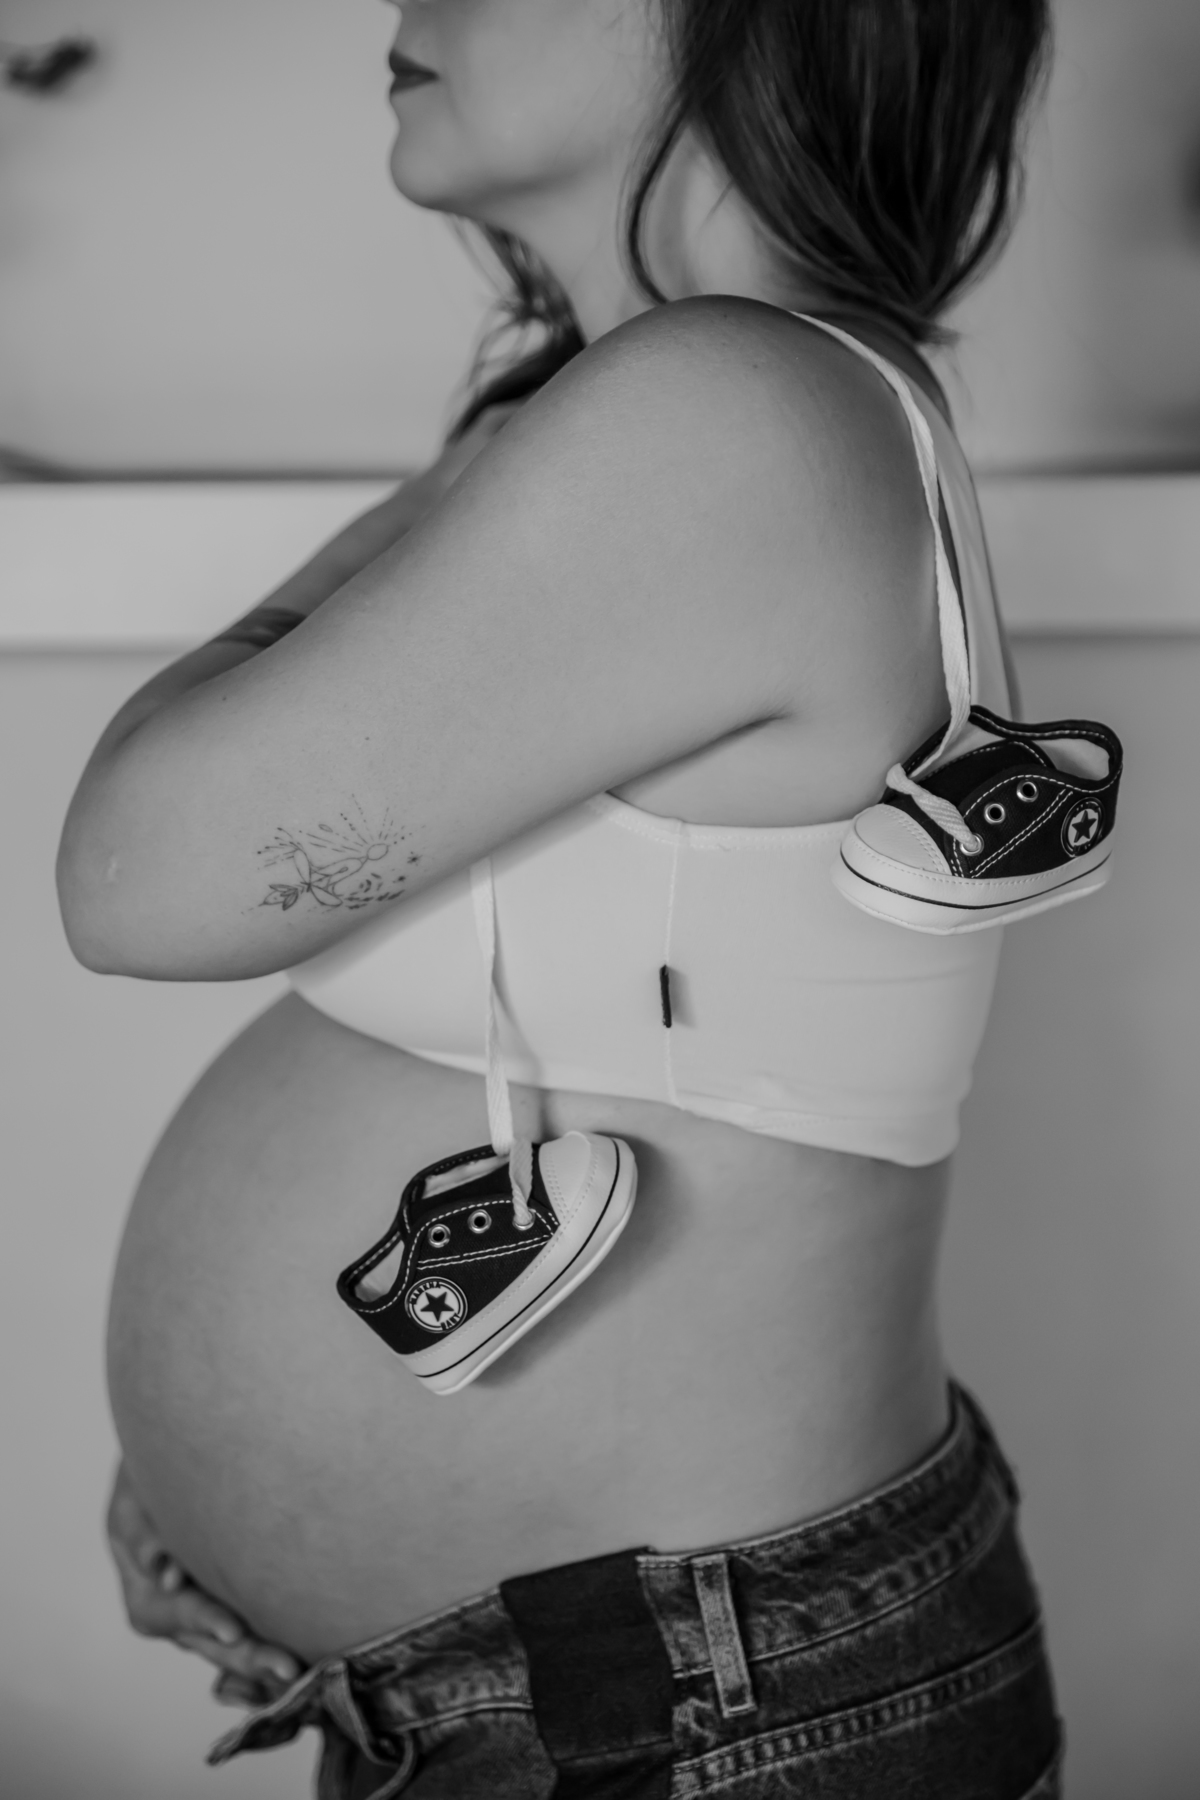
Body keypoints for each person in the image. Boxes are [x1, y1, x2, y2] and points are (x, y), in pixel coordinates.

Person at [57, 0, 1066, 1793]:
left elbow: (135, 877)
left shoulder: (722, 410)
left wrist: (428, 505)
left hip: (694, 1712)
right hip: (621, 1689)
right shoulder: (692, 407)